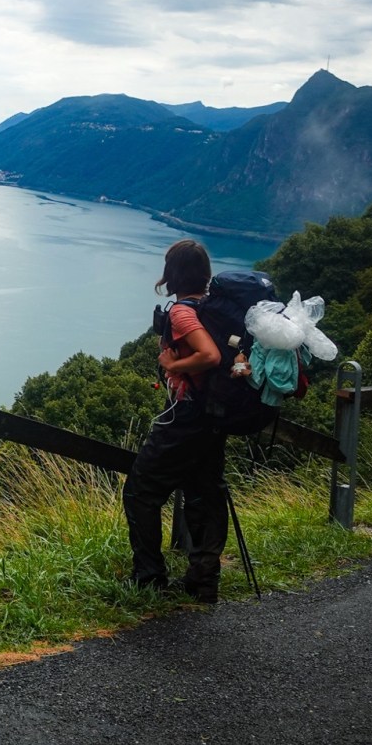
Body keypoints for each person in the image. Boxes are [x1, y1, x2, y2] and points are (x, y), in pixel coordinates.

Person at [123, 238, 229, 604]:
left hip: (186, 415)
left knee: (141, 491)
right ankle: (203, 580)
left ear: (173, 274)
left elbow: (210, 356)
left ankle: (149, 576)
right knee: (205, 494)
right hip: (215, 416)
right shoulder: (213, 306)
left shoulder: (182, 313)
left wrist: (172, 365)